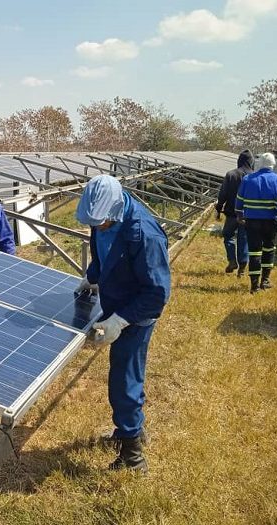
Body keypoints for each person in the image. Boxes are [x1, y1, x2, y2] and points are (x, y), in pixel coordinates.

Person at [73, 175, 171, 473]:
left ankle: (133, 457)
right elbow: (101, 254)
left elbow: (157, 294)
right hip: (118, 302)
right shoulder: (100, 216)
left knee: (123, 380)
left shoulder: (144, 234)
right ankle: (133, 431)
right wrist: (93, 276)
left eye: (102, 223)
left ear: (116, 209)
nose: (98, 227)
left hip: (136, 313)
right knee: (129, 374)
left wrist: (119, 320)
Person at [235, 152, 277, 294]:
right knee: (268, 250)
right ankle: (265, 281)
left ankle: (254, 286)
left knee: (254, 252)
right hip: (270, 222)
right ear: (274, 165)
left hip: (252, 222)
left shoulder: (248, 179)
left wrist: (239, 215)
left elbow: (239, 201)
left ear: (258, 164)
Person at [216, 150, 254, 277]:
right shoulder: (254, 176)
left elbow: (223, 193)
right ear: (251, 162)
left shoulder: (231, 174)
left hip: (232, 213)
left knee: (228, 236)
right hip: (247, 215)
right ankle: (242, 268)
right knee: (244, 239)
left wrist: (219, 207)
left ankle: (232, 261)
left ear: (239, 160)